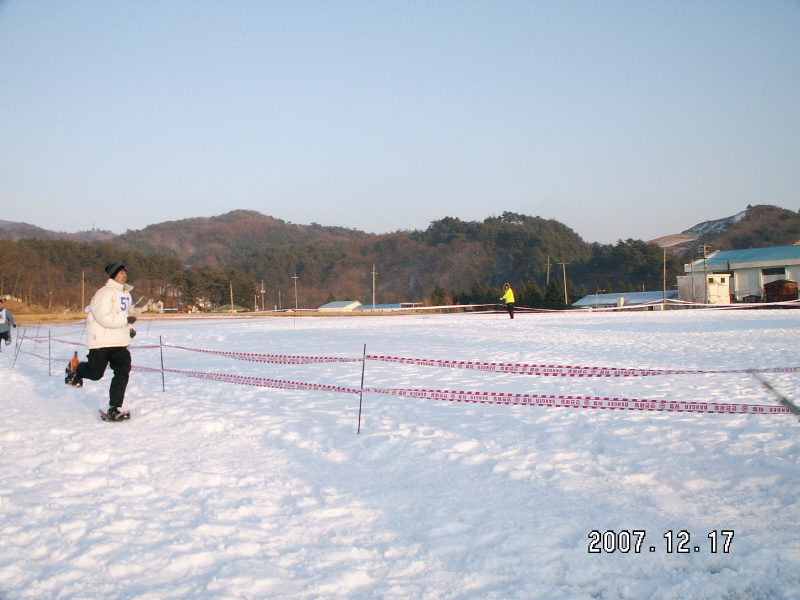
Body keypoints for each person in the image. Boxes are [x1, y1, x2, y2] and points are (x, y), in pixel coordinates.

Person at [65, 262, 137, 421]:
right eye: (121, 274)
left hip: (119, 341)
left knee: (122, 371)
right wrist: (125, 320)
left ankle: (114, 408)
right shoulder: (105, 293)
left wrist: (129, 327)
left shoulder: (125, 294)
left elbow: (124, 314)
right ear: (113, 275)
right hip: (102, 341)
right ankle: (75, 369)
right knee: (95, 374)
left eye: (125, 273)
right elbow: (104, 318)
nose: (124, 276)